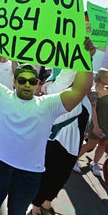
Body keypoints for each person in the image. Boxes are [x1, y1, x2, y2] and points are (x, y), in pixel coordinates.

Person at [0, 28, 95, 215]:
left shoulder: (48, 104)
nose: (27, 84)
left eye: (32, 81)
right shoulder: (1, 95)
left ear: (37, 84)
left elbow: (79, 90)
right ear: (14, 81)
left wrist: (85, 59)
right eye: (22, 80)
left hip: (28, 177)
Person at [28, 69, 91, 215]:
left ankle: (46, 203)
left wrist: (88, 58)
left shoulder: (86, 99)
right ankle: (36, 208)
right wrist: (80, 56)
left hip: (73, 147)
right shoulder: (60, 90)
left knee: (61, 177)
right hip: (55, 143)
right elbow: (67, 74)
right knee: (47, 175)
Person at [73, 67, 108, 177]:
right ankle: (74, 160)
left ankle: (95, 163)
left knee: (103, 144)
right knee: (90, 144)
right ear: (101, 78)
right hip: (97, 122)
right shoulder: (93, 92)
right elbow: (93, 110)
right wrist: (96, 127)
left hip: (107, 122)